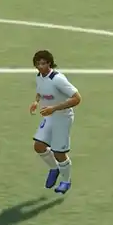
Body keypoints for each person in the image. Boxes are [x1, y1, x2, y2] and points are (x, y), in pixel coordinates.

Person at [29, 50, 81, 195]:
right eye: (38, 64)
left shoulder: (58, 79)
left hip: (62, 118)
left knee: (59, 153)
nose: (41, 67)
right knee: (39, 146)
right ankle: (54, 168)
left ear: (49, 63)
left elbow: (77, 98)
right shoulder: (39, 77)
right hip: (50, 116)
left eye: (43, 63)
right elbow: (40, 91)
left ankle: (66, 181)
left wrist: (54, 108)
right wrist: (36, 102)